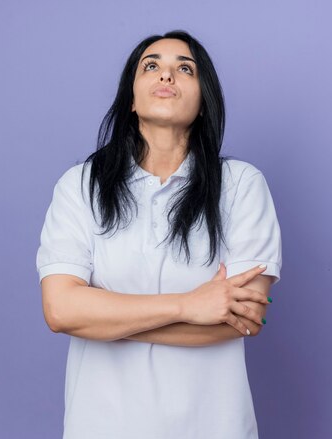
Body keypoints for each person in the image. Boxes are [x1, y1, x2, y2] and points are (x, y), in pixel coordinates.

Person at [36, 30, 282, 439]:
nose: (167, 75)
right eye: (151, 66)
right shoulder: (81, 186)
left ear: (204, 101)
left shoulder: (241, 185)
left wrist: (105, 319)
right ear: (131, 99)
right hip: (102, 426)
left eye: (185, 69)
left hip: (213, 426)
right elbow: (61, 310)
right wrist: (189, 305)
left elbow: (244, 319)